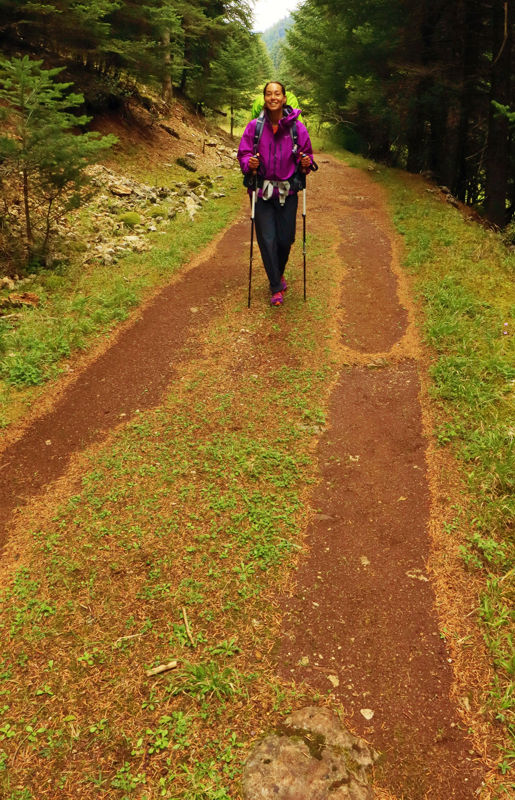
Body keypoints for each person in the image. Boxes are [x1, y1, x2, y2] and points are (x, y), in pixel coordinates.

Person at [237, 81, 314, 306]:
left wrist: (306, 162)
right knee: (267, 239)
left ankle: (277, 272)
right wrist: (248, 163)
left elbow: (306, 155)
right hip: (261, 192)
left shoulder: (297, 128)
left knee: (285, 239)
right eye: (269, 94)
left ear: (284, 98)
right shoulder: (255, 127)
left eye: (277, 94)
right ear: (264, 99)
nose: (273, 97)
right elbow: (243, 153)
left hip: (287, 193)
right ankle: (275, 286)